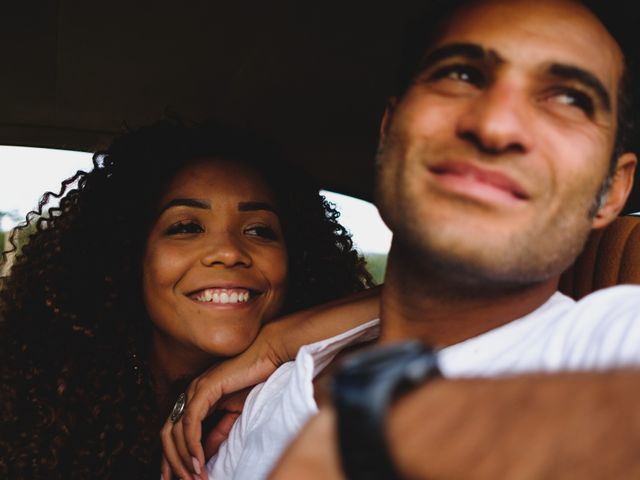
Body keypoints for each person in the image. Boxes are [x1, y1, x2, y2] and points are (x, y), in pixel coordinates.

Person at [161, 0, 640, 478]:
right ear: (388, 131)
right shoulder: (275, 393)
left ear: (613, 190)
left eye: (570, 99)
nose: (495, 126)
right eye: (461, 75)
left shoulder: (604, 348)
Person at [0, 120, 376, 479]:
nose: (229, 252)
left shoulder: (306, 387)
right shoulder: (37, 392)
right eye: (187, 227)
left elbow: (431, 305)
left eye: (260, 230)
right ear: (129, 256)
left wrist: (275, 348)